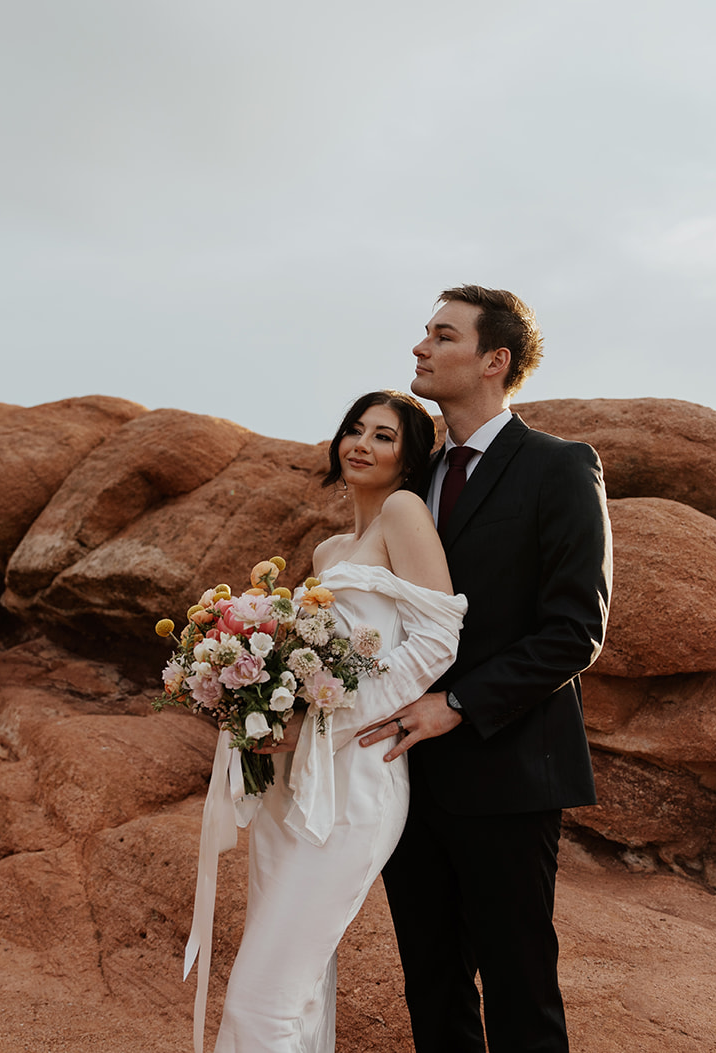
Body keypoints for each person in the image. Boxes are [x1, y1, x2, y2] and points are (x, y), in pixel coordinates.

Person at [357, 286, 612, 1052]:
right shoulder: (411, 478)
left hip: (509, 771)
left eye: (442, 335)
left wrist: (457, 703)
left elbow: (576, 629)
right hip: (406, 774)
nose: (420, 348)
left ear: (494, 360)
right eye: (424, 333)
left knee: (520, 989)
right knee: (432, 988)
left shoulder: (560, 467)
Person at [192, 389, 468, 1053]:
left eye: (382, 435)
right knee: (303, 989)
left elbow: (438, 640)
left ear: (409, 459)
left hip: (355, 780)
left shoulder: (403, 513)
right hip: (291, 781)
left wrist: (330, 725)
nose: (360, 444)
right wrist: (256, 703)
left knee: (263, 1000)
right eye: (354, 429)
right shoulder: (327, 551)